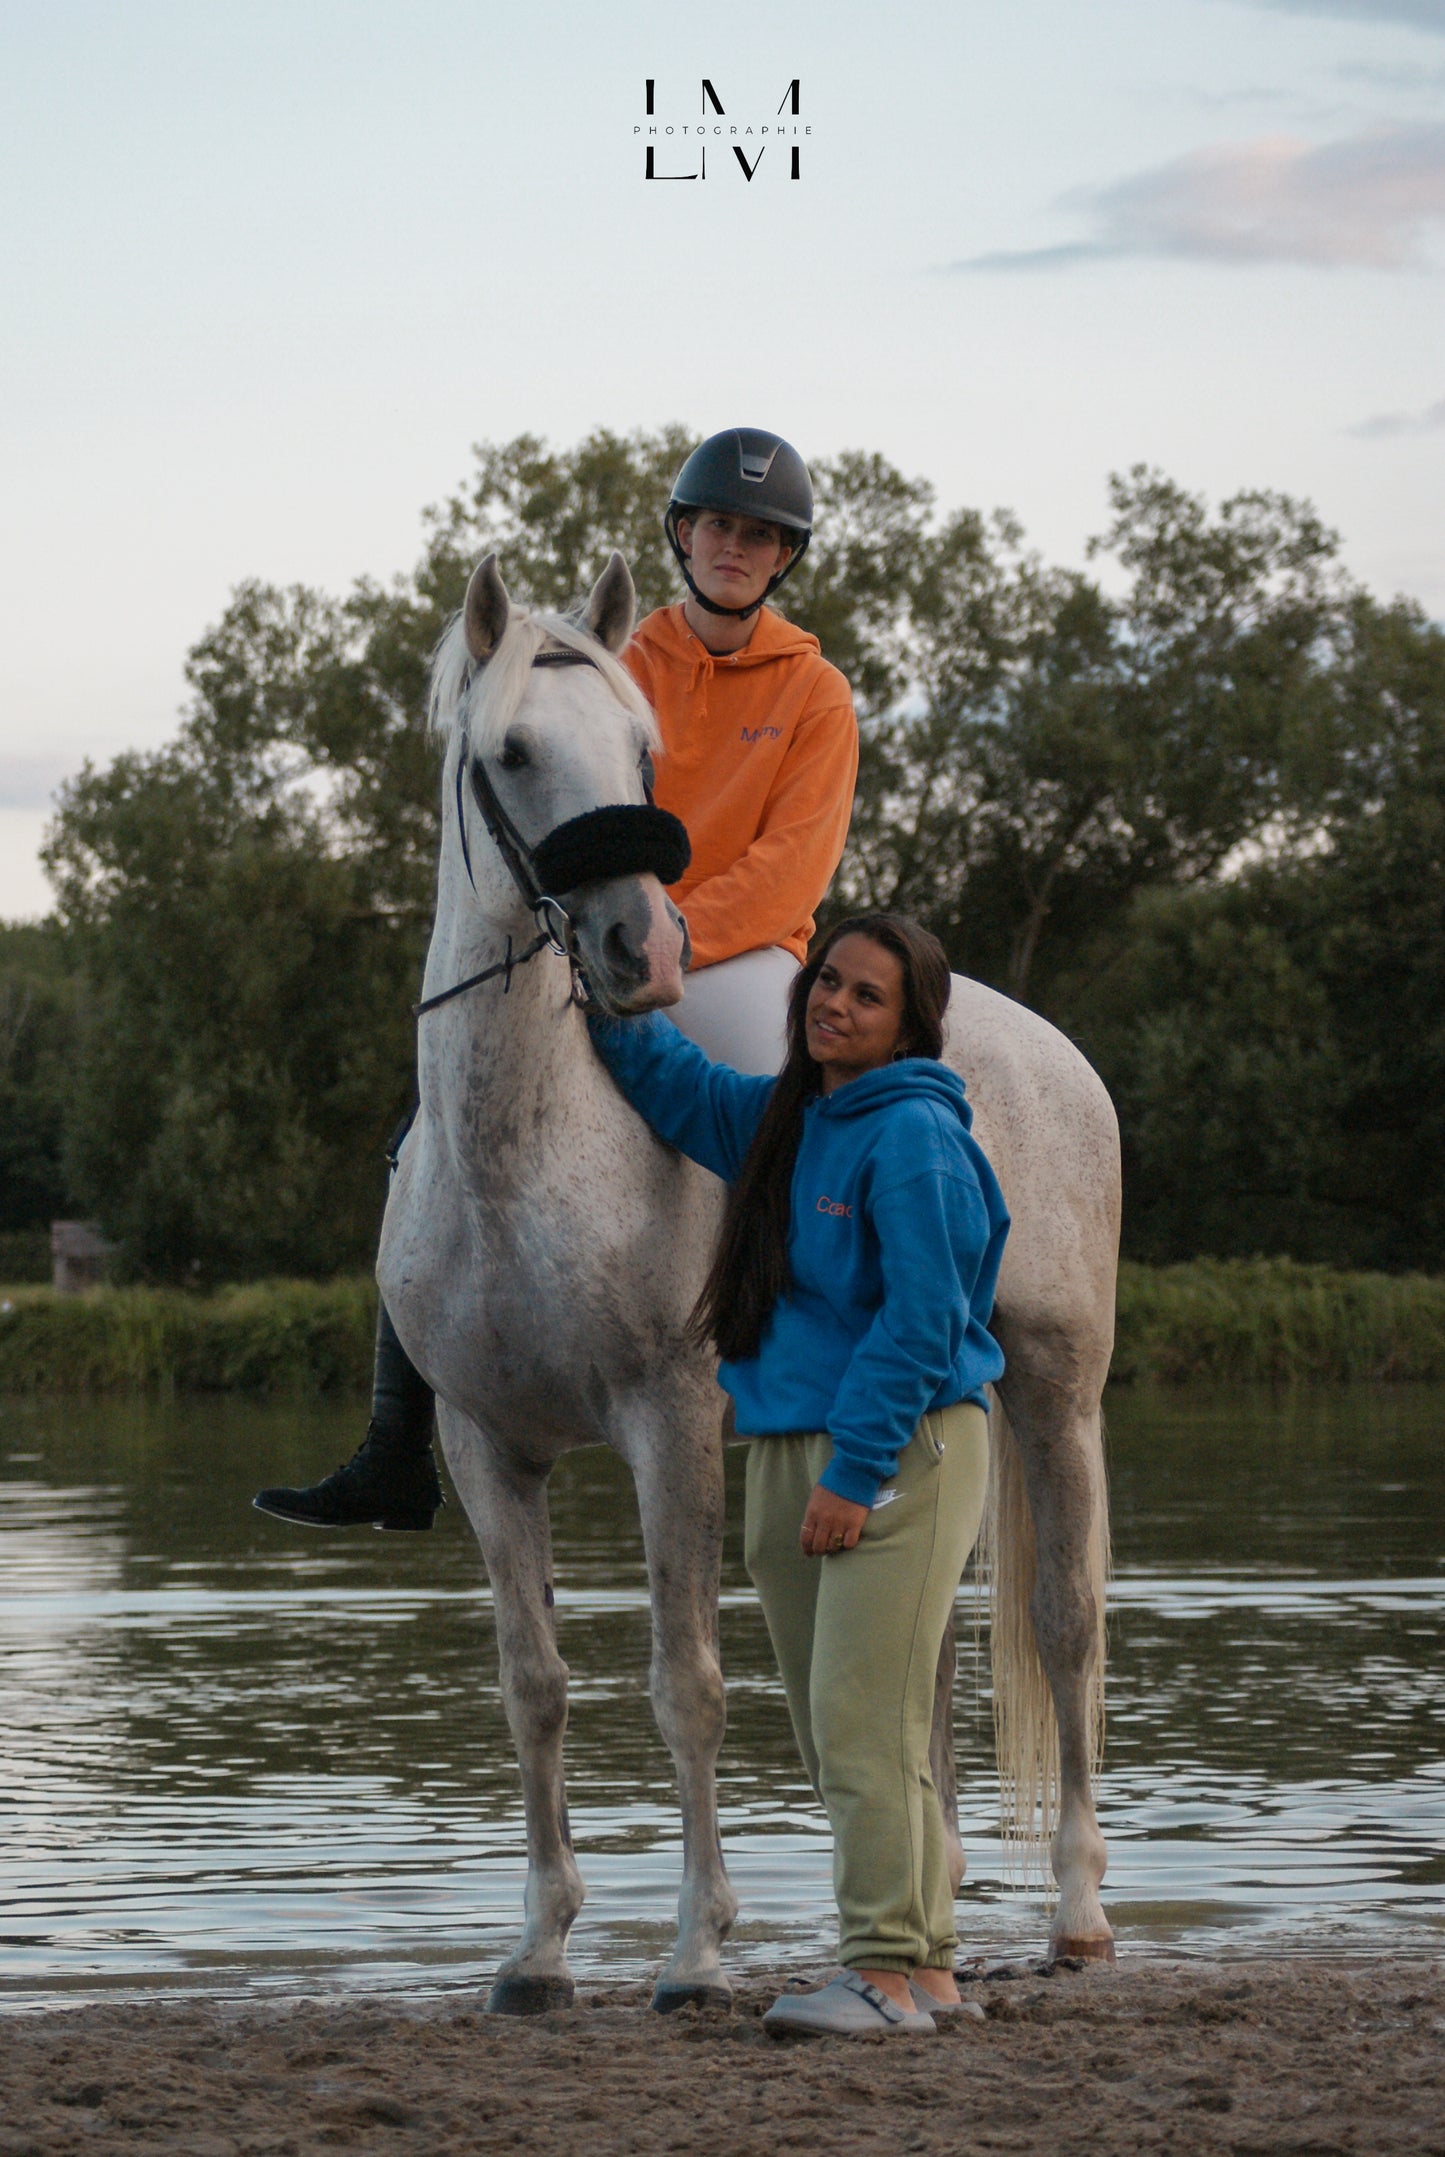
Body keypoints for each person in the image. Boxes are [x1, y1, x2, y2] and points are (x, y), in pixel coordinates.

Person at [254, 428, 859, 1531]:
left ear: (783, 557)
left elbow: (795, 865)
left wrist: (679, 928)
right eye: (718, 524)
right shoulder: (618, 666)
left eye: (759, 535)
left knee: (785, 1101)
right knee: (440, 1124)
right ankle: (395, 1441)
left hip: (735, 949)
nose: (734, 546)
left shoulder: (815, 692)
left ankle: (821, 1366)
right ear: (683, 534)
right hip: (598, 928)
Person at [587, 913, 1009, 2037]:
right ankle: (925, 1971)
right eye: (827, 980)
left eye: (866, 996)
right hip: (784, 1443)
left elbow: (923, 1321)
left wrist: (855, 1472)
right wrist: (605, 984)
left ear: (908, 1023)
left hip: (898, 1448)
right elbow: (671, 1083)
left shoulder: (913, 1135)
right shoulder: (784, 1120)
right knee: (846, 1734)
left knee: (860, 1721)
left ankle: (874, 1970)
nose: (832, 1003)